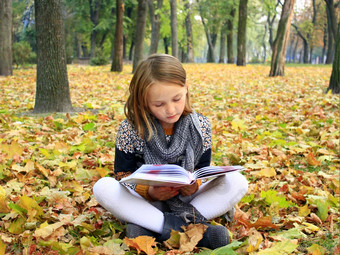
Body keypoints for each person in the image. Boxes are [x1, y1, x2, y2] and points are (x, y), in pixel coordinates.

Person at [93, 54, 248, 249]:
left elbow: (202, 168)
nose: (171, 109)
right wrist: (149, 192)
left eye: (177, 99)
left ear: (186, 89)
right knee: (102, 187)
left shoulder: (200, 126)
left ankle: (151, 228)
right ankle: (191, 228)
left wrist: (195, 184)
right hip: (146, 201)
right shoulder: (131, 128)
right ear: (144, 102)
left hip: (187, 198)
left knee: (238, 182)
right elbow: (122, 175)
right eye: (159, 104)